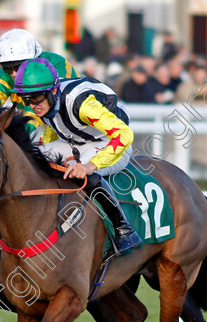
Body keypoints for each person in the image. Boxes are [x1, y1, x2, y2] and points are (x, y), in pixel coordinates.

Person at [12, 58, 142, 252]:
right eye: (26, 99)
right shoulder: (46, 101)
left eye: (37, 97)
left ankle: (124, 229)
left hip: (112, 142)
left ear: (53, 91)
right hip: (77, 141)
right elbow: (52, 127)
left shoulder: (81, 104)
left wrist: (89, 166)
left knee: (84, 172)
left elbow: (124, 135)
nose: (32, 104)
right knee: (32, 162)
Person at [0, 28, 79, 137]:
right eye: (7, 68)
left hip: (70, 127)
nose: (13, 73)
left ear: (33, 59)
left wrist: (21, 131)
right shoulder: (8, 71)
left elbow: (39, 106)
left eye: (17, 67)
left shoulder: (56, 65)